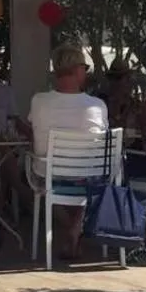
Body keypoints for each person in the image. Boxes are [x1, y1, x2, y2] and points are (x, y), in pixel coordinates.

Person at [29, 45, 108, 259]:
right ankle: (76, 228)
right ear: (78, 70)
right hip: (89, 174)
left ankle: (71, 229)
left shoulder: (39, 101)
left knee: (45, 186)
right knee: (102, 176)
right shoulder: (98, 106)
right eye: (85, 67)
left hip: (49, 174)